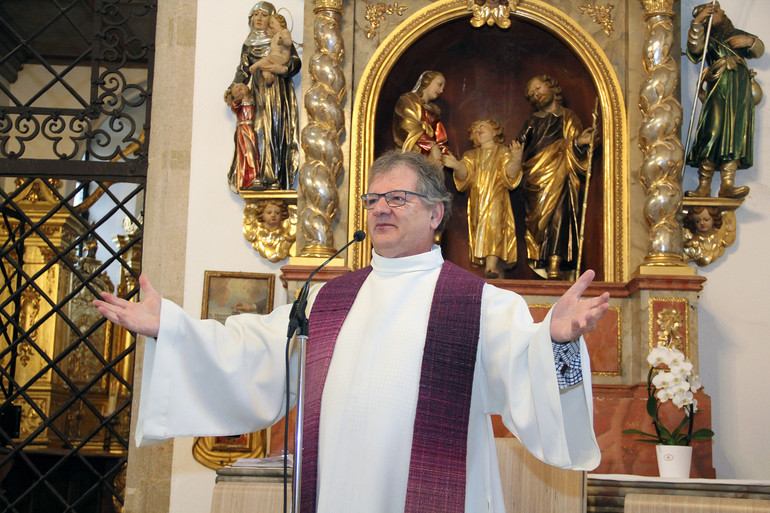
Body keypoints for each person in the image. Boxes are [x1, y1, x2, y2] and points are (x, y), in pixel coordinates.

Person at [94, 151, 608, 513]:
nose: (380, 208)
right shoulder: (329, 297)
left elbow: (526, 368)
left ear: (436, 213)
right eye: (372, 199)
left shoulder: (480, 303)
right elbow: (253, 351)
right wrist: (173, 327)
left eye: (398, 198)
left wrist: (556, 341)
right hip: (339, 489)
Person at [513, 75, 595, 280]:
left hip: (561, 175)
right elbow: (518, 146)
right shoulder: (532, 120)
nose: (536, 94)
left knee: (560, 216)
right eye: (532, 93)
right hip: (535, 176)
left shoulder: (569, 118)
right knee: (538, 223)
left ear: (551, 87)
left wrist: (580, 142)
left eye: (538, 88)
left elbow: (577, 153)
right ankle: (540, 257)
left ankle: (555, 263)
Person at [685, 2, 764, 199]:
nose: (722, 13)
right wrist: (697, 22)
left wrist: (749, 42)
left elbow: (758, 50)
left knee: (735, 133)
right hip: (719, 87)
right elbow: (695, 49)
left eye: (719, 11)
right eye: (714, 12)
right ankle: (704, 185)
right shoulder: (708, 39)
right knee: (712, 130)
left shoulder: (736, 34)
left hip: (739, 89)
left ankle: (727, 184)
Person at [228, 1, 301, 190]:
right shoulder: (248, 43)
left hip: (277, 92)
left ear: (272, 19)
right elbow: (243, 70)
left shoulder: (279, 39)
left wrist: (281, 69)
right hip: (258, 93)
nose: (258, 19)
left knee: (274, 129)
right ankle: (257, 176)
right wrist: (233, 89)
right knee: (257, 129)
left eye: (263, 15)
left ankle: (275, 177)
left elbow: (295, 62)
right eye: (255, 15)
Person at [444, 119, 521, 278]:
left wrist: (516, 158)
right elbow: (465, 175)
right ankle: (488, 264)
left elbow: (511, 174)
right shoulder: (471, 156)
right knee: (481, 227)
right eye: (475, 130)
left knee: (494, 226)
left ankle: (491, 265)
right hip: (478, 201)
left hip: (496, 198)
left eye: (482, 127)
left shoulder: (503, 152)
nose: (478, 130)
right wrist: (456, 165)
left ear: (495, 132)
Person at [393, 71, 450, 164]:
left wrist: (445, 155)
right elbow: (408, 126)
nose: (441, 91)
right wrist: (432, 146)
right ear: (426, 81)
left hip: (430, 161)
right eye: (439, 85)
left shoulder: (434, 111)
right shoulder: (408, 100)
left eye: (443, 87)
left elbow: (441, 138)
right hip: (411, 156)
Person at [225, 82, 260, 191]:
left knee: (255, 152)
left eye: (241, 87)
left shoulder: (255, 100)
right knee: (247, 153)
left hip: (252, 129)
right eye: (236, 88)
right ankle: (248, 178)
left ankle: (255, 176)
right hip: (243, 130)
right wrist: (231, 98)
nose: (239, 88)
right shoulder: (237, 105)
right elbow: (234, 106)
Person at [249, 14, 292, 86]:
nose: (271, 25)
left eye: (272, 23)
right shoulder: (250, 43)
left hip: (280, 58)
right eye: (256, 14)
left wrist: (284, 69)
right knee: (265, 68)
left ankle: (255, 66)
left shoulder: (283, 32)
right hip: (261, 85)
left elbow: (288, 42)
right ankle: (268, 78)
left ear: (280, 23)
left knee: (267, 59)